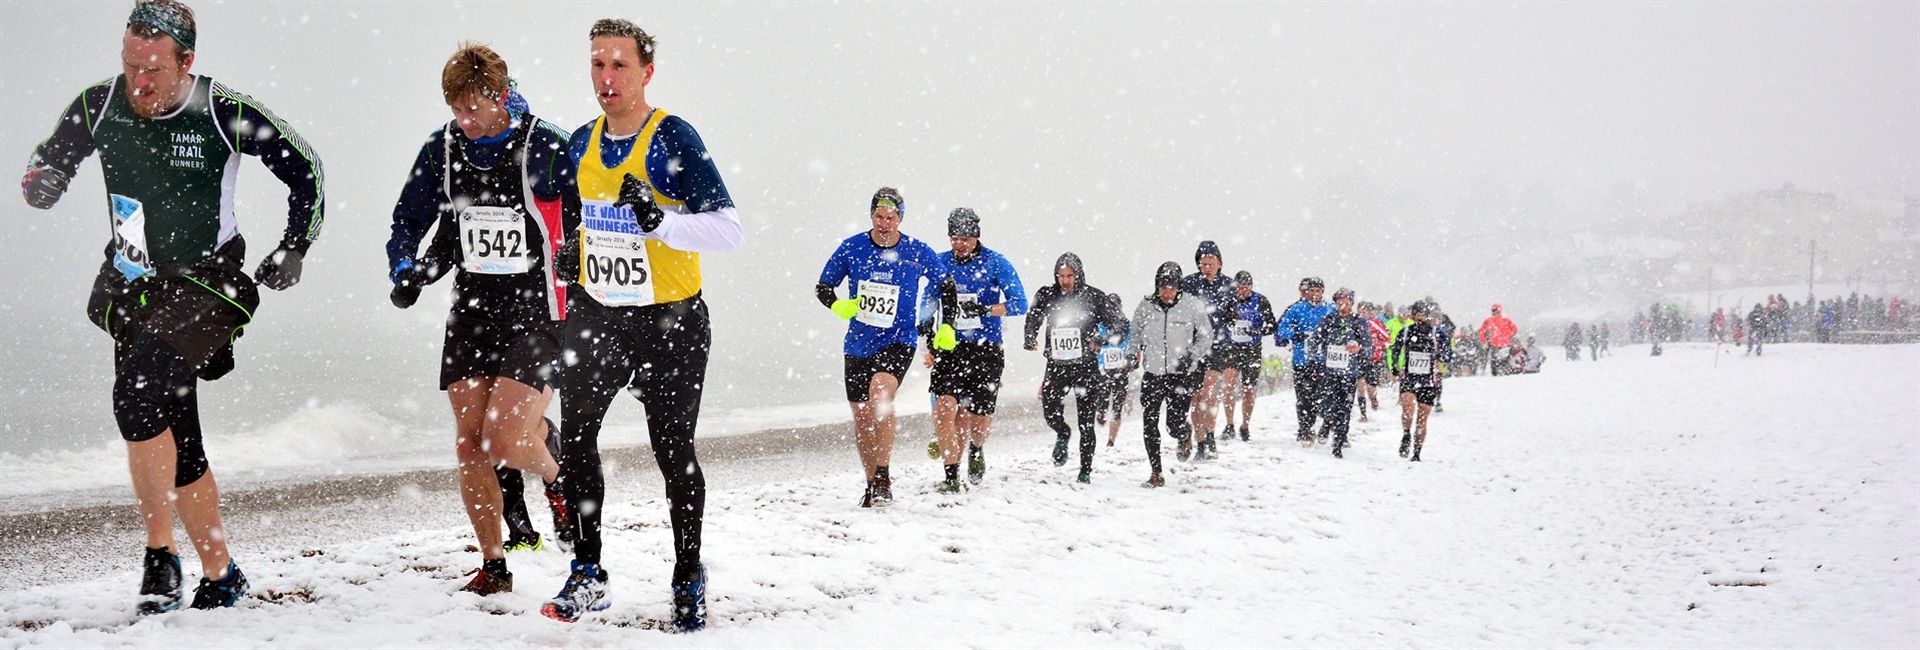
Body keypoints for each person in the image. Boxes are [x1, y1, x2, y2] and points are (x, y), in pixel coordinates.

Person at [20, 0, 324, 613]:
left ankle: (160, 556)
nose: (139, 81)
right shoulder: (97, 105)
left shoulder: (225, 111)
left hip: (207, 284)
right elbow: (43, 167)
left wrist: (294, 247)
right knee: (173, 429)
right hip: (132, 285)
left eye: (154, 69)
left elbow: (306, 170)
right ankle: (220, 572)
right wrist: (41, 183)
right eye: (131, 64)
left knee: (136, 389)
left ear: (187, 62)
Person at [542, 19, 746, 630]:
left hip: (672, 322)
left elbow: (729, 229)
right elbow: (576, 222)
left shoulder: (672, 138)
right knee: (576, 442)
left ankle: (688, 574)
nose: (607, 79)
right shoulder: (579, 143)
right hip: (598, 314)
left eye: (619, 67)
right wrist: (568, 254)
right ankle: (588, 571)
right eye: (598, 66)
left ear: (646, 72)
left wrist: (660, 221)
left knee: (672, 450)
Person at [386, 43, 572, 596]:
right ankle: (494, 566)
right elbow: (409, 218)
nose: (464, 121)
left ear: (499, 95)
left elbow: (589, 209)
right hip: (472, 309)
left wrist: (581, 264)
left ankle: (559, 480)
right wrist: (406, 266)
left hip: (537, 309)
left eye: (473, 109)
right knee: (471, 445)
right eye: (455, 110)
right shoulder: (441, 148)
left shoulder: (546, 144)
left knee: (504, 440)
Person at [818, 187, 957, 504]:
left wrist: (946, 325)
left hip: (898, 339)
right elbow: (822, 287)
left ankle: (883, 472)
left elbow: (946, 285)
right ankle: (872, 483)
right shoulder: (851, 248)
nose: (884, 223)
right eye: (879, 216)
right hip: (857, 344)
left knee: (880, 393)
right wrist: (838, 306)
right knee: (862, 416)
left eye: (891, 217)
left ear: (900, 218)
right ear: (871, 216)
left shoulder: (916, 251)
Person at [924, 208, 1026, 490]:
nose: (959, 244)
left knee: (978, 420)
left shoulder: (996, 263)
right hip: (950, 347)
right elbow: (928, 301)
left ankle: (977, 449)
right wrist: (925, 332)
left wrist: (986, 309)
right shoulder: (940, 263)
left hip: (986, 349)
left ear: (976, 237)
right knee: (946, 409)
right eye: (954, 238)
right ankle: (951, 476)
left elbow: (1020, 303)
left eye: (965, 238)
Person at [1024, 253, 1127, 484]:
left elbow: (1120, 324)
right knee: (1050, 413)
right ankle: (1062, 432)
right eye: (1060, 276)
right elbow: (1033, 316)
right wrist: (1029, 336)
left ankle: (1085, 470)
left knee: (1086, 422)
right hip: (1056, 365)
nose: (1065, 281)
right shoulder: (1047, 294)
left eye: (1069, 276)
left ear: (1078, 275)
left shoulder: (1094, 297)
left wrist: (1101, 340)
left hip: (1086, 368)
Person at [1127, 263, 1212, 486]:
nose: (1167, 292)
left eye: (1171, 288)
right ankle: (1157, 473)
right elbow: (1134, 335)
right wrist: (1131, 354)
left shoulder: (1192, 306)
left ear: (1179, 287)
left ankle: (1184, 434)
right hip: (1153, 374)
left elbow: (1206, 337)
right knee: (1149, 423)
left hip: (1180, 375)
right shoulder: (1145, 306)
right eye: (1163, 287)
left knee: (1173, 426)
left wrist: (1191, 355)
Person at [1178, 241, 1236, 459]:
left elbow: (1233, 311)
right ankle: (1200, 440)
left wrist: (1233, 317)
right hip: (1194, 346)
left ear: (1220, 264)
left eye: (1211, 263)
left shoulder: (1229, 285)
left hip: (1219, 344)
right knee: (1196, 395)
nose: (1207, 267)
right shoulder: (1188, 284)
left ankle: (1210, 436)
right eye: (1203, 263)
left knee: (1208, 391)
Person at [1310, 289, 1372, 458]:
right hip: (1329, 372)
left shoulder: (1359, 322)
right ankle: (1327, 422)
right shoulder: (1329, 320)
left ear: (1352, 303)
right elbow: (1315, 340)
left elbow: (1369, 349)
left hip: (1349, 373)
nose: (1342, 304)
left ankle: (1338, 443)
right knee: (1327, 405)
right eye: (1338, 301)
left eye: (1345, 301)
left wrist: (1359, 349)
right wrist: (1315, 359)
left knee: (1344, 408)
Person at [1275, 277, 1333, 446]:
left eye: (1318, 291)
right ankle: (1304, 429)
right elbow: (1282, 328)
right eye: (1311, 291)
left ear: (1322, 292)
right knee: (1303, 397)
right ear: (1307, 292)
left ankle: (1322, 424)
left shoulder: (1330, 309)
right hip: (1302, 360)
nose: (1314, 294)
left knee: (1322, 396)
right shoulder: (1297, 308)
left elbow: (1340, 327)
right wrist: (1295, 335)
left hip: (1324, 361)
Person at [1389, 301, 1449, 462]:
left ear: (1427, 315)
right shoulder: (1407, 331)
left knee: (1422, 417)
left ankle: (1416, 453)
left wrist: (1440, 356)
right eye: (1417, 314)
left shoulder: (1436, 333)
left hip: (1428, 380)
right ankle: (1406, 433)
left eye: (1423, 314)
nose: (1420, 318)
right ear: (1412, 315)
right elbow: (1395, 348)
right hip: (1409, 377)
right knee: (1408, 410)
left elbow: (1448, 351)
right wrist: (1394, 365)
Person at [1220, 271, 1276, 440]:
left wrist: (1257, 330)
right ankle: (1229, 425)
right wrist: (1227, 320)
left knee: (1248, 389)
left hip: (1252, 349)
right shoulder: (1229, 299)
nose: (1241, 291)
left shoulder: (1260, 300)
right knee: (1228, 385)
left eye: (1245, 288)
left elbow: (1272, 325)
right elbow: (1219, 321)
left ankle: (1245, 425)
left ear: (1251, 287)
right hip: (1232, 347)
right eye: (1238, 288)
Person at [1096, 292, 1135, 448]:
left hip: (1120, 369)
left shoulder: (1128, 324)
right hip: (1102, 369)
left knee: (1117, 407)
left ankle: (1111, 440)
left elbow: (1135, 343)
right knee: (1105, 403)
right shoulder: (1099, 326)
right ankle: (1101, 413)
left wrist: (1134, 357)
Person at [1355, 301, 1390, 422]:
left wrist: (1377, 346)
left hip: (1374, 359)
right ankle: (1363, 414)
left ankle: (1373, 399)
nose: (1362, 313)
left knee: (1371, 388)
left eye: (1364, 311)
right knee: (1360, 386)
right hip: (1359, 358)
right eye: (1360, 311)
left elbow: (1387, 338)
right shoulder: (1355, 323)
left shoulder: (1376, 323)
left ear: (1369, 312)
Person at [1478, 304, 1518, 376]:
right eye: (1492, 310)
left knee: (1503, 361)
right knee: (1495, 362)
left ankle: (1504, 374)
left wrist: (1508, 336)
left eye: (1495, 310)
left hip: (1503, 345)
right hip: (1496, 345)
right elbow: (1482, 331)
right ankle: (1496, 375)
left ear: (1499, 310)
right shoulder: (1489, 321)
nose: (1493, 312)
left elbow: (1514, 329)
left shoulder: (1505, 320)